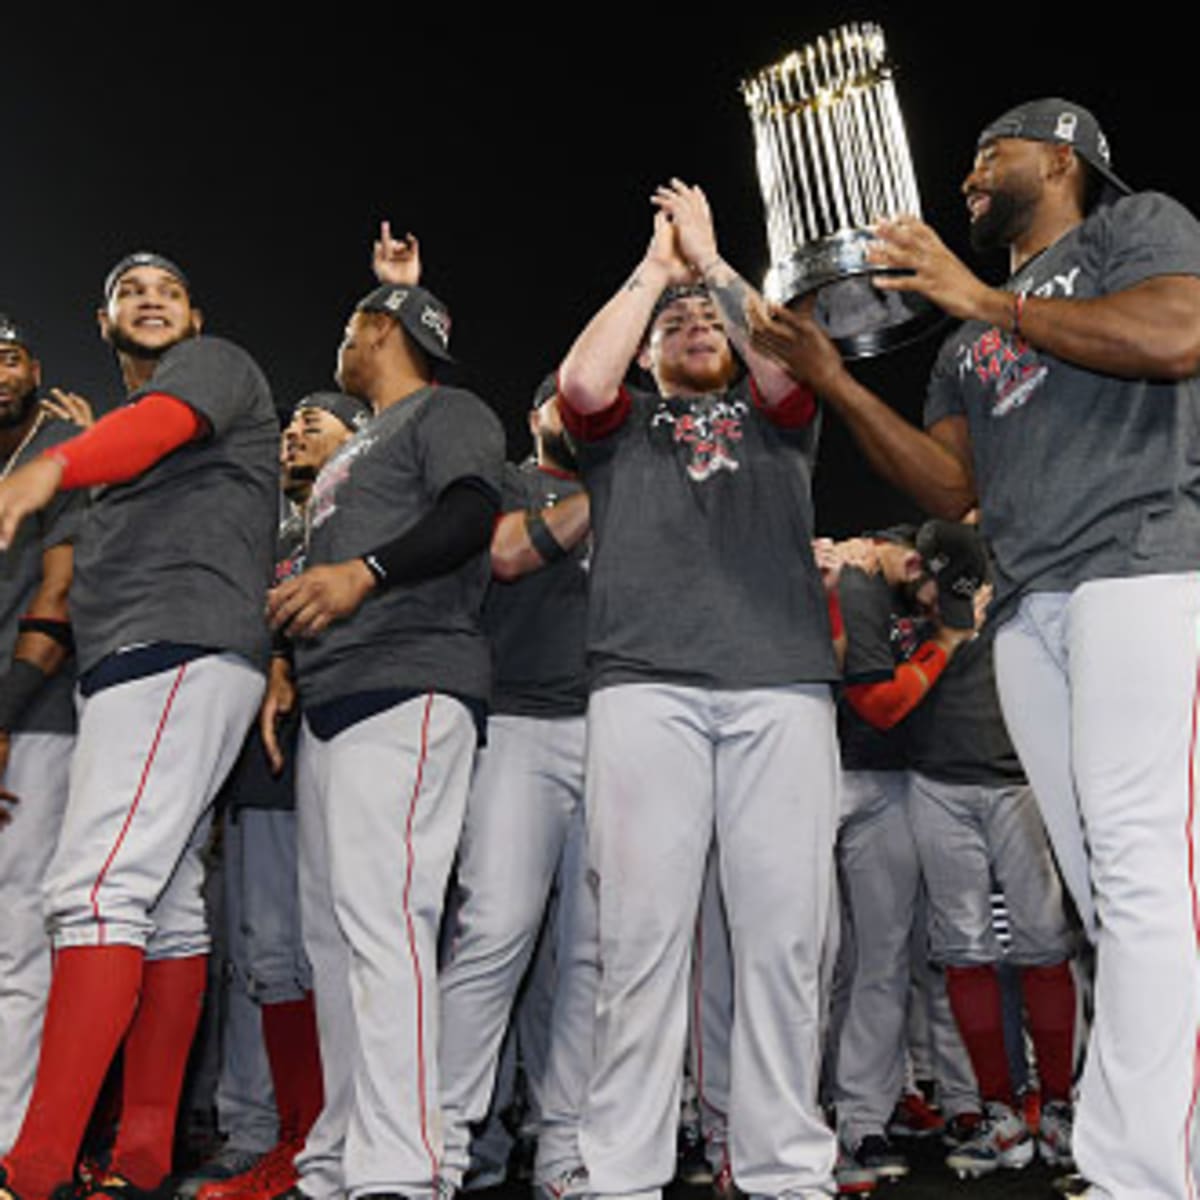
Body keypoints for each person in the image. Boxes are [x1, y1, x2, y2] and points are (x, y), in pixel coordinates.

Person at [750, 98, 1200, 1199]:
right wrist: (835, 378)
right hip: (1033, 601)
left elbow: (1179, 335)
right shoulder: (962, 342)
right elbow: (953, 488)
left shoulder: (1129, 229)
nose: (967, 177)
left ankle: (1140, 1168)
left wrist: (987, 297)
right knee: (1109, 895)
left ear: (1060, 158)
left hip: (1143, 568)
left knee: (1147, 879)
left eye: (987, 151)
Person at [558, 178, 840, 1200]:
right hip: (644, 686)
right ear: (646, 346)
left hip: (781, 689)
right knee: (638, 942)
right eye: (670, 324)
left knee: (784, 939)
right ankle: (620, 1174)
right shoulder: (620, 426)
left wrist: (717, 270)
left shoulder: (782, 421)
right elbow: (577, 387)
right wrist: (654, 273)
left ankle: (782, 1170)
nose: (692, 327)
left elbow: (785, 365)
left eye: (707, 322)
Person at [0, 252, 278, 1200]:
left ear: (194, 316)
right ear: (103, 318)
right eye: (130, 292)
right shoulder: (105, 436)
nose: (150, 300)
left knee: (92, 893)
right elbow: (60, 594)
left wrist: (49, 472)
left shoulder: (213, 368)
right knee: (159, 909)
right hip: (143, 661)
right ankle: (142, 1156)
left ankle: (33, 1171)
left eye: (167, 290)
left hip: (176, 646)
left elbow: (156, 427)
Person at [264, 237, 505, 1200]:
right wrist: (286, 667)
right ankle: (341, 1153)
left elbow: (471, 513)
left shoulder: (445, 412)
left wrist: (363, 574)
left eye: (352, 326)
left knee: (385, 926)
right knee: (335, 937)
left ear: (375, 334)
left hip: (410, 681)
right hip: (332, 694)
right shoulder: (364, 436)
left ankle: (402, 1168)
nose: (341, 341)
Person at [179, 392, 370, 1200]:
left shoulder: (365, 524)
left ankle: (318, 1140)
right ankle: (282, 1137)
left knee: (324, 956)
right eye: (289, 422)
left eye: (315, 421)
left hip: (343, 748)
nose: (294, 430)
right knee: (266, 957)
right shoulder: (269, 536)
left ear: (360, 442)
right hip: (261, 770)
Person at [438, 376, 594, 1200]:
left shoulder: (640, 491)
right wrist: (610, 483)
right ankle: (443, 1133)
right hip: (519, 723)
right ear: (535, 416)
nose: (575, 413)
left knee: (593, 951)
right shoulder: (508, 478)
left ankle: (566, 1141)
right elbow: (504, 553)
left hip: (620, 727)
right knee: (495, 929)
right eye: (562, 401)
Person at [0, 316, 86, 1155]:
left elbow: (58, 597)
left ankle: (12, 1138)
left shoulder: (58, 453)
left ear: (36, 367)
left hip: (34, 716)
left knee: (19, 930)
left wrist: (5, 713)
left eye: (10, 355)